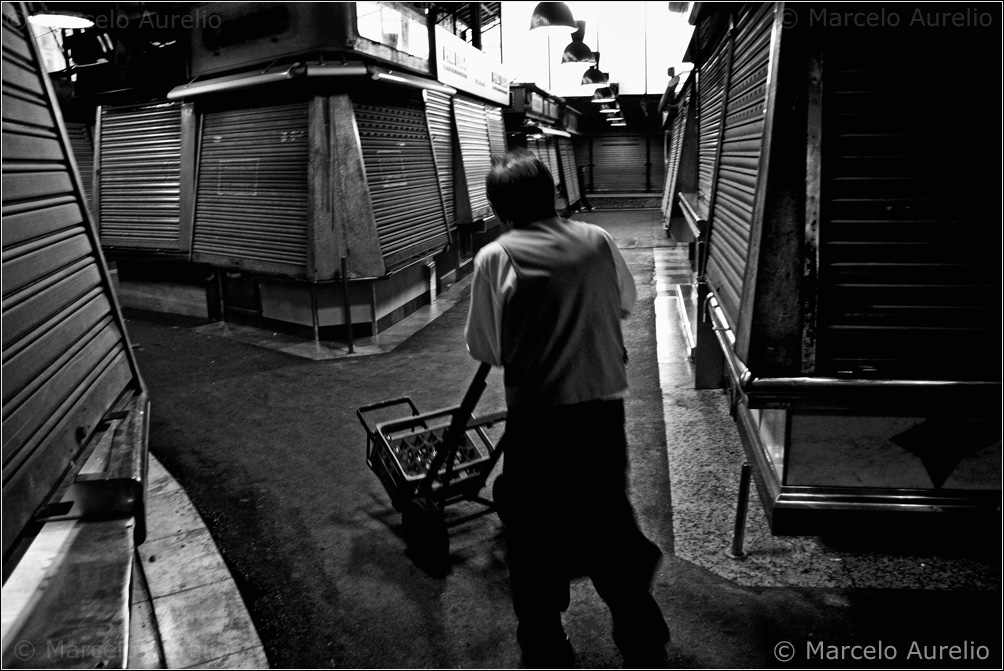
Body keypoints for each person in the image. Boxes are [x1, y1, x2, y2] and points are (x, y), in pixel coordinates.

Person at [465, 150, 669, 668]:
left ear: (499, 208)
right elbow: (624, 300)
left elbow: (486, 348)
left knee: (535, 534)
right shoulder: (596, 239)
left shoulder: (497, 256)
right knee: (608, 519)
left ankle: (546, 643)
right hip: (602, 414)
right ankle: (641, 636)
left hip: (540, 420)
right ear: (552, 192)